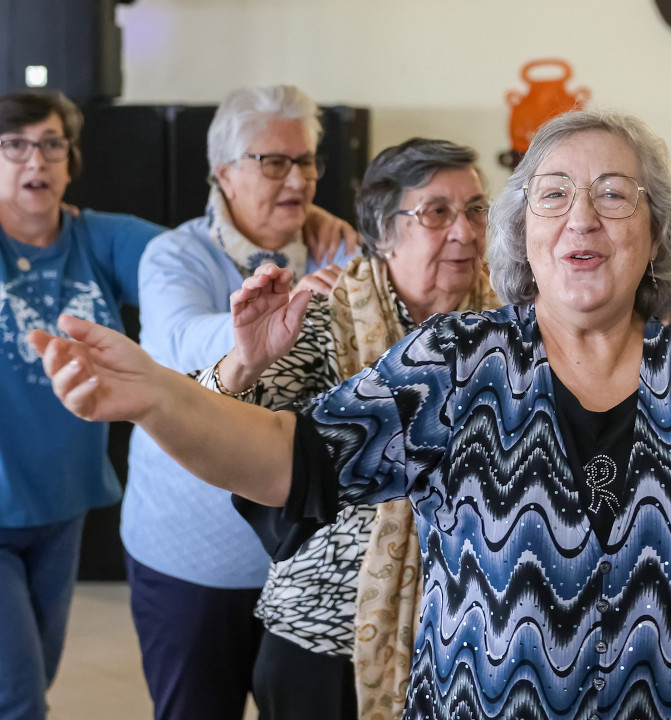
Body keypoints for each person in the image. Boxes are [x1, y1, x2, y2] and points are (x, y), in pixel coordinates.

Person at [34, 109, 671, 720]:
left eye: (615, 195)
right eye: (552, 196)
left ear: (658, 233)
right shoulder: (457, 360)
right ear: (523, 234)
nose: (582, 216)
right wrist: (162, 396)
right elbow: (290, 460)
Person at [198, 138, 497, 720]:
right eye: (437, 212)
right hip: (321, 639)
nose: (463, 231)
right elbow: (215, 426)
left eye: (476, 210)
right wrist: (244, 360)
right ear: (384, 231)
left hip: (467, 641)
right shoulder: (321, 317)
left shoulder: (508, 330)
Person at [121, 84, 358, 720]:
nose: (298, 179)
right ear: (222, 172)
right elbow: (177, 350)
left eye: (306, 161)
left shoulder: (340, 251)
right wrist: (277, 315)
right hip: (192, 562)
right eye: (273, 162)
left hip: (305, 571)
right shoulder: (175, 253)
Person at [0, 91, 166, 720]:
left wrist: (302, 225)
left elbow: (194, 256)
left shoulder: (96, 240)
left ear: (70, 159)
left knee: (34, 676)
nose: (32, 160)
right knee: (18, 697)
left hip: (61, 506)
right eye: (13, 146)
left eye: (49, 144)